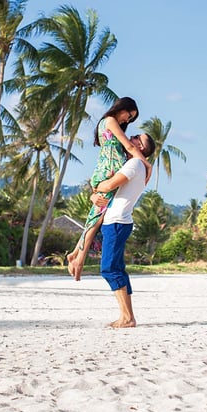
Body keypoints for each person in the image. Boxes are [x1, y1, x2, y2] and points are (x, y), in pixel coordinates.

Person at [66, 97, 152, 280]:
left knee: (95, 217)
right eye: (129, 116)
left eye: (130, 119)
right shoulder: (110, 121)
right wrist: (147, 164)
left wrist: (94, 193)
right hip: (107, 173)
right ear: (122, 108)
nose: (127, 121)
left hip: (107, 174)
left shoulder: (112, 125)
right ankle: (78, 258)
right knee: (96, 219)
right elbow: (128, 145)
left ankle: (76, 254)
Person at [89, 132, 156, 328]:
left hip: (117, 222)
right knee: (117, 269)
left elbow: (109, 185)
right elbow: (111, 191)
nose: (131, 137)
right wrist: (96, 196)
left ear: (141, 147)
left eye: (137, 138)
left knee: (109, 269)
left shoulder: (135, 164)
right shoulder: (139, 166)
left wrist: (94, 188)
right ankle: (127, 316)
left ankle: (127, 318)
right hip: (118, 222)